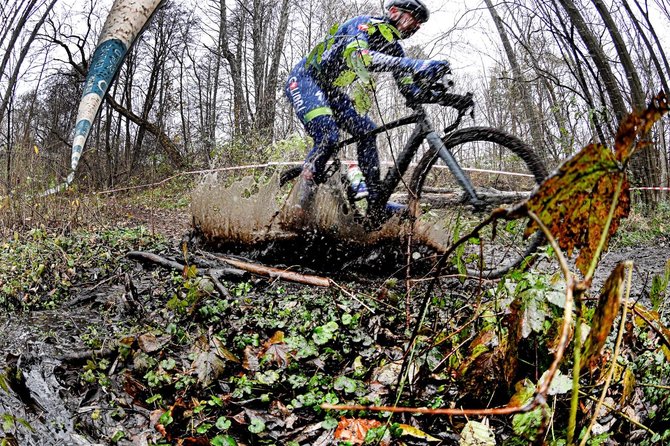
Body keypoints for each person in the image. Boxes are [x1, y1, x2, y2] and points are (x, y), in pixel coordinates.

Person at [284, 0, 450, 220]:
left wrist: (443, 95)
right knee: (328, 136)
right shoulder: (364, 24)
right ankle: (299, 211)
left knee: (367, 131)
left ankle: (375, 203)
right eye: (413, 19)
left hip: (328, 89)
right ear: (393, 12)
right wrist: (417, 64)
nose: (415, 27)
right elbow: (361, 56)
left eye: (419, 25)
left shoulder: (394, 48)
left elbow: (410, 91)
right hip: (304, 79)